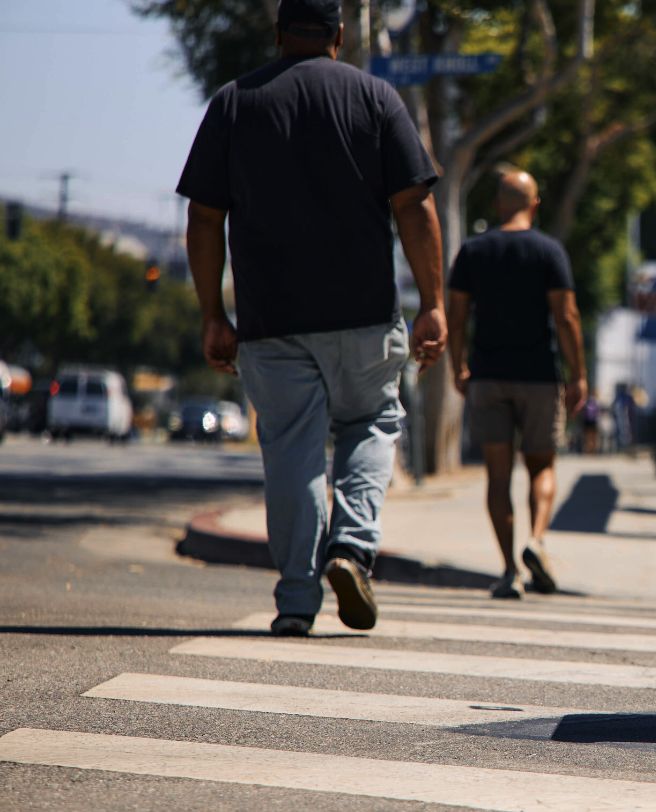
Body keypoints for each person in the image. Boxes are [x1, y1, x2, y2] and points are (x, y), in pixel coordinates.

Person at [177, 0, 446, 637]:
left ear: (277, 35)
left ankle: (296, 600)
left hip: (270, 319)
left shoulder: (234, 104)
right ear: (340, 36)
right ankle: (351, 549)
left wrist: (214, 314)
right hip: (363, 315)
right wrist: (433, 303)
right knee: (372, 422)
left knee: (293, 453)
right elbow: (414, 208)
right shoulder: (376, 98)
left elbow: (204, 218)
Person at [446, 170, 587, 599]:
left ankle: (509, 570)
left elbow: (456, 316)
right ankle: (537, 540)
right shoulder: (548, 251)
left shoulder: (472, 251)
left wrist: (459, 366)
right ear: (535, 203)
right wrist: (578, 373)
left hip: (488, 377)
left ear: (498, 204)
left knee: (497, 475)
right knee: (542, 467)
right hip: (539, 377)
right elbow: (566, 317)